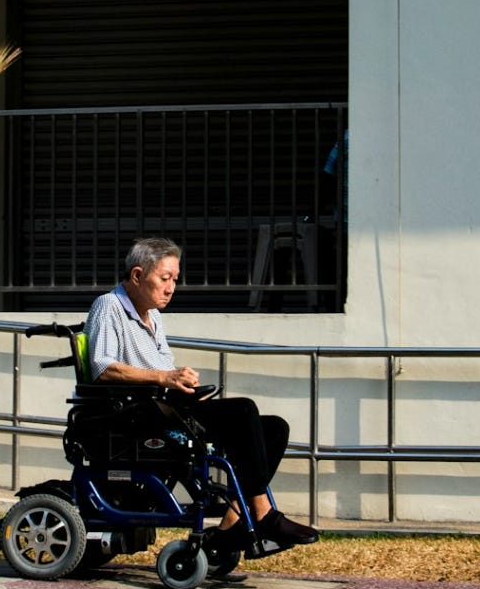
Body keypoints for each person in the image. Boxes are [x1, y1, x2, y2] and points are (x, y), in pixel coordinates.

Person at [84, 236, 318, 550]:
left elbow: (163, 372)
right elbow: (102, 367)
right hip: (138, 415)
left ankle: (233, 521)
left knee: (274, 428)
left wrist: (184, 387)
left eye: (175, 280)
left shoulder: (154, 317)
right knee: (244, 409)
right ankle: (262, 513)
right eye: (164, 278)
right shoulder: (108, 306)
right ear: (138, 275)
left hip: (168, 407)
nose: (171, 287)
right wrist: (166, 377)